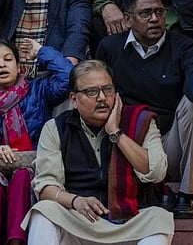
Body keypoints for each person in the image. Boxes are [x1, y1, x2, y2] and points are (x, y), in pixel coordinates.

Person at [96, 0, 193, 219]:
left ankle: (188, 196)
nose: (154, 18)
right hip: (130, 144)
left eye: (159, 12)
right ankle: (151, 190)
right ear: (127, 19)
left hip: (175, 147)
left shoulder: (185, 47)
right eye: (145, 13)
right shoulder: (110, 48)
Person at [23, 60, 174, 244]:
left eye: (107, 89)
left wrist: (116, 133)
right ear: (74, 99)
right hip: (79, 221)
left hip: (129, 223)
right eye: (91, 92)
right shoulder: (56, 128)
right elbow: (46, 185)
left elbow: (157, 173)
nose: (102, 97)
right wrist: (75, 201)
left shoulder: (140, 121)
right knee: (44, 211)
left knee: (159, 218)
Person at [0, 39, 73, 245]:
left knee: (22, 177)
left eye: (8, 59)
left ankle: (17, 241)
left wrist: (41, 52)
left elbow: (70, 77)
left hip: (32, 164)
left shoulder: (38, 91)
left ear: (19, 66)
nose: (2, 65)